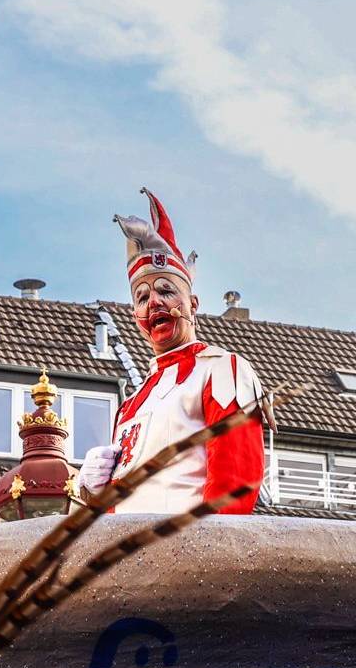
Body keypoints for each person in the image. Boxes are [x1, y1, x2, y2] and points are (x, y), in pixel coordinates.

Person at [78, 189, 265, 514]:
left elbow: (234, 485)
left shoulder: (222, 369)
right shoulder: (130, 405)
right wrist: (93, 491)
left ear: (192, 304)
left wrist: (206, 545)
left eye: (166, 291)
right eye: (142, 297)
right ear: (135, 316)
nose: (154, 302)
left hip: (186, 543)